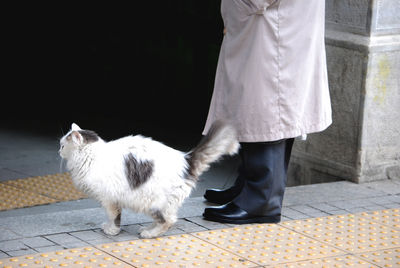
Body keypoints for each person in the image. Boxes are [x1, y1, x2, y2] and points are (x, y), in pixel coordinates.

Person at [202, 0, 332, 224]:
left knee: (267, 107)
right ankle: (250, 187)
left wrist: (239, 8)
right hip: (277, 20)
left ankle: (261, 199)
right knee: (263, 104)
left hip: (273, 22)